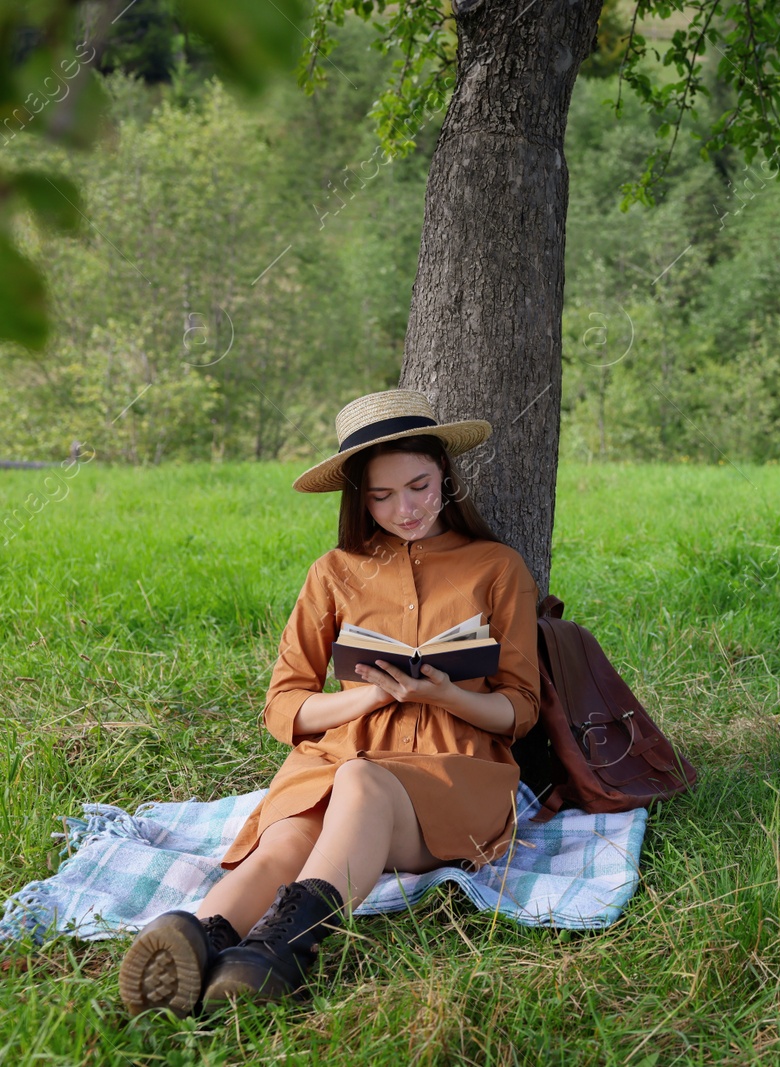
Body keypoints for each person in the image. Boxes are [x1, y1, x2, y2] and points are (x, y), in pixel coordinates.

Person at [117, 389, 544, 1016]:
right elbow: (285, 707)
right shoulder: (334, 572)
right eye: (382, 496)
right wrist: (368, 696)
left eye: (420, 486)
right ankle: (199, 940)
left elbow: (520, 708)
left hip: (451, 773)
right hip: (335, 760)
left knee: (364, 783)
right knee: (286, 840)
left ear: (445, 478)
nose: (405, 509)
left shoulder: (497, 566)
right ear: (359, 499)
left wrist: (447, 694)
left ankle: (283, 952)